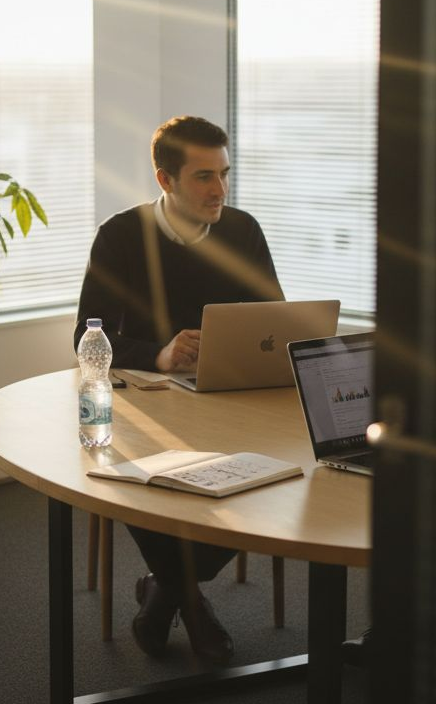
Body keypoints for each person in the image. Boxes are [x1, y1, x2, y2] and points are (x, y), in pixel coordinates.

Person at [73, 115, 283, 665]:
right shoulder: (121, 236)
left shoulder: (242, 230)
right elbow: (86, 335)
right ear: (166, 180)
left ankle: (165, 589)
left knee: (278, 469)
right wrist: (160, 354)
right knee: (134, 474)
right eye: (203, 177)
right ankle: (191, 602)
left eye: (224, 174)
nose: (219, 190)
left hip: (228, 397)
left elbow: (279, 322)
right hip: (147, 403)